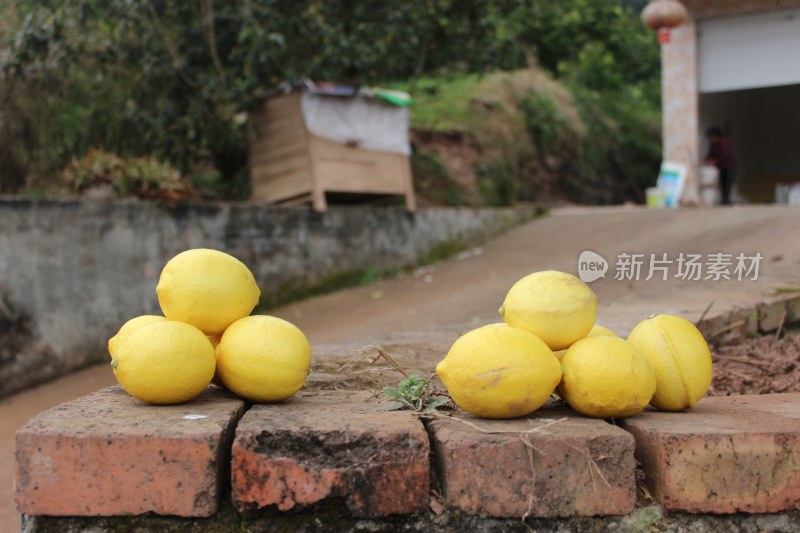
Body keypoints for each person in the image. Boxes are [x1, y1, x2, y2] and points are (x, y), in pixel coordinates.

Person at [704, 126, 735, 205]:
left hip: (728, 165)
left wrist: (715, 161)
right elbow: (711, 154)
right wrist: (707, 159)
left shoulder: (723, 142)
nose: (710, 139)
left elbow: (725, 155)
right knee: (722, 183)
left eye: (710, 137)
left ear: (715, 136)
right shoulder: (713, 144)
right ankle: (724, 200)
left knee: (727, 183)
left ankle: (726, 200)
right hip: (720, 166)